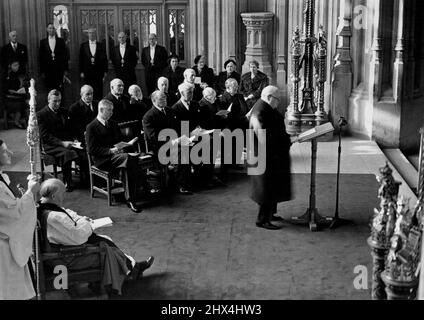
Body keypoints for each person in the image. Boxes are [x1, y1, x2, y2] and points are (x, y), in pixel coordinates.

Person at [37, 178, 154, 295]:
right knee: (107, 249)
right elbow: (79, 236)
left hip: (65, 245)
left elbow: (69, 213)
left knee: (105, 239)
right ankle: (132, 271)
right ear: (53, 196)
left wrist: (80, 221)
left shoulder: (46, 206)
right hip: (67, 258)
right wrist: (85, 223)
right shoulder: (53, 217)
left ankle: (133, 268)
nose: (64, 196)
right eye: (62, 194)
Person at [85, 99, 143, 213]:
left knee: (127, 163)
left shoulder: (113, 123)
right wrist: (111, 151)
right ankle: (136, 193)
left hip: (118, 156)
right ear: (101, 110)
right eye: (109, 111)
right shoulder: (91, 127)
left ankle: (130, 198)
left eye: (112, 110)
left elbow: (118, 140)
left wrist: (126, 144)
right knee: (129, 158)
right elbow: (91, 150)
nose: (112, 113)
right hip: (102, 159)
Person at [0, 139, 40, 300]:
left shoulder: (3, 178)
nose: (10, 153)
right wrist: (30, 193)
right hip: (4, 249)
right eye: (4, 151)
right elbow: (15, 215)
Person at [249, 86, 292, 230]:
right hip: (264, 156)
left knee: (272, 186)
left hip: (271, 155)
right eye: (277, 99)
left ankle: (270, 214)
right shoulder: (260, 111)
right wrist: (285, 141)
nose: (278, 103)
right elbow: (264, 137)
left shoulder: (266, 108)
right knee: (265, 188)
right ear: (269, 97)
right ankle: (262, 220)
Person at [37, 90, 88, 192]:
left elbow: (71, 128)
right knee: (68, 153)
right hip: (51, 145)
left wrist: (75, 139)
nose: (57, 104)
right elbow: (45, 136)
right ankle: (67, 182)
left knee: (83, 150)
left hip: (67, 141)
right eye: (54, 101)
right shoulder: (41, 114)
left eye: (59, 101)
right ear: (48, 100)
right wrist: (62, 143)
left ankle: (86, 179)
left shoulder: (64, 111)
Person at [171, 83, 201, 194]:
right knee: (184, 152)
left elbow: (197, 120)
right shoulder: (175, 108)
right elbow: (176, 129)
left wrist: (198, 128)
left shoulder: (195, 104)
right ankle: (183, 184)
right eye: (189, 92)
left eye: (192, 92)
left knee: (210, 142)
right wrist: (189, 134)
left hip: (195, 136)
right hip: (183, 138)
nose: (192, 94)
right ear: (182, 93)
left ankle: (204, 178)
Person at [39, 23, 70, 94]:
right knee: (49, 90)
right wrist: (42, 71)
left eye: (53, 28)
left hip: (59, 70)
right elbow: (41, 57)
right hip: (48, 70)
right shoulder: (43, 42)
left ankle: (61, 105)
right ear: (47, 30)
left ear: (55, 30)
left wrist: (66, 69)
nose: (51, 30)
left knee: (60, 90)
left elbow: (65, 56)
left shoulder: (61, 41)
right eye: (50, 28)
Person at [79, 28, 108, 101]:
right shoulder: (83, 45)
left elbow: (104, 59)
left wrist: (105, 71)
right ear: (88, 34)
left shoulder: (101, 45)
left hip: (98, 73)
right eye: (90, 33)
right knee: (87, 91)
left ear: (95, 34)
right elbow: (81, 59)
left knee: (98, 92)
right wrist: (81, 71)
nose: (91, 34)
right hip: (87, 73)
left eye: (93, 33)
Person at [2, 60, 30, 128]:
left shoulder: (20, 74)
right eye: (15, 65)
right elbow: (6, 90)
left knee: (26, 101)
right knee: (20, 104)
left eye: (18, 65)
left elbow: (24, 85)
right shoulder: (6, 76)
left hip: (19, 96)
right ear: (10, 66)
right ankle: (16, 121)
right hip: (9, 98)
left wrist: (23, 90)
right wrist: (15, 92)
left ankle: (20, 120)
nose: (17, 67)